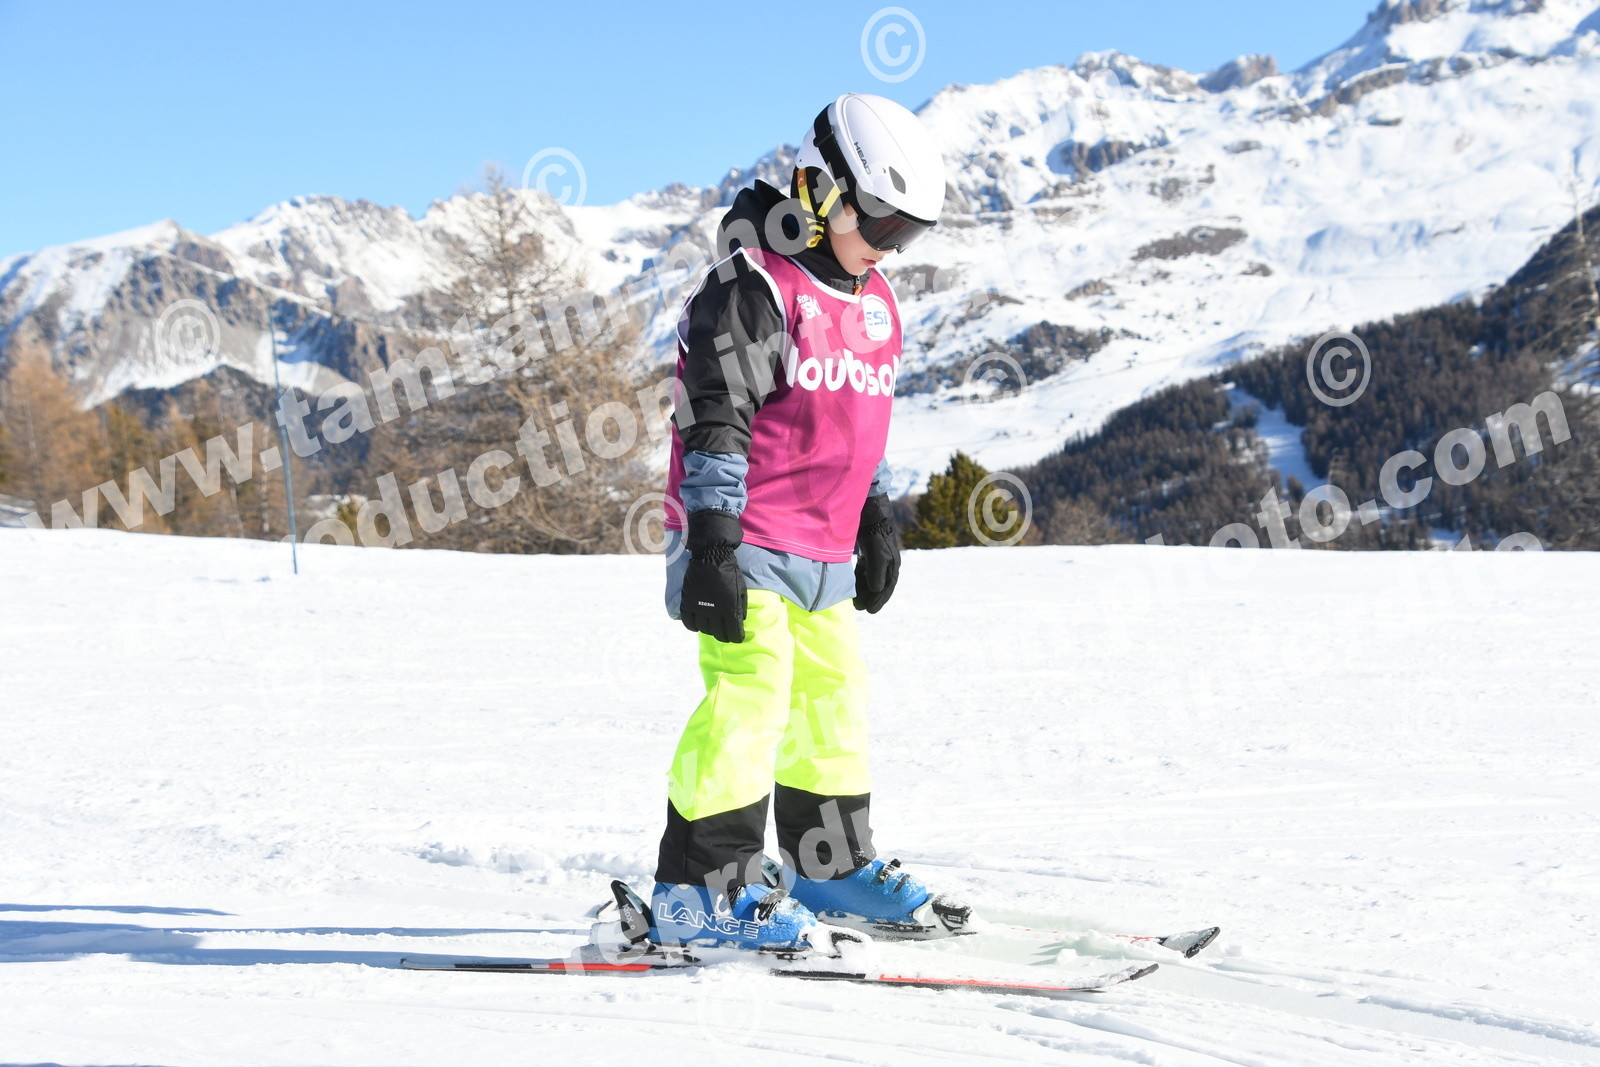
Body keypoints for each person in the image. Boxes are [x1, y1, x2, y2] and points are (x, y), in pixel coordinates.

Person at [643, 93, 968, 956]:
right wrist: (712, 543)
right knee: (752, 694)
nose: (889, 246)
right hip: (742, 535)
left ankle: (827, 865)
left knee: (832, 698)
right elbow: (715, 417)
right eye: (882, 221)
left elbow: (855, 420)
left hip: (822, 545)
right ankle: (700, 888)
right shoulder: (753, 287)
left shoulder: (874, 299)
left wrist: (875, 513)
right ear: (821, 190)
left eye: (908, 233)